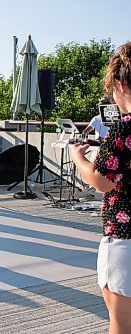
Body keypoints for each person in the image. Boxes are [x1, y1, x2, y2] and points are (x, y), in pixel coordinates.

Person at [70, 42, 131, 333]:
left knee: (121, 322)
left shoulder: (124, 128)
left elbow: (102, 179)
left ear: (120, 83)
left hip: (124, 237)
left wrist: (78, 158)